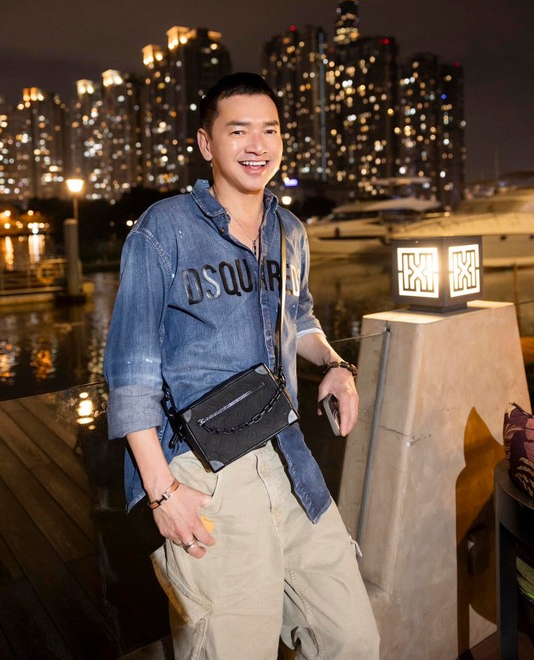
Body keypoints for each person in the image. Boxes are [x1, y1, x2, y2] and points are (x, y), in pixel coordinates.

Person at [104, 72, 379, 659]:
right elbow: (130, 371)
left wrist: (335, 363)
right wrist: (161, 493)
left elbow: (299, 316)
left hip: (290, 458)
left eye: (270, 130)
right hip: (205, 475)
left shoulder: (289, 230)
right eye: (239, 131)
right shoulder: (164, 229)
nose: (258, 145)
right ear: (207, 144)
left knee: (352, 639)